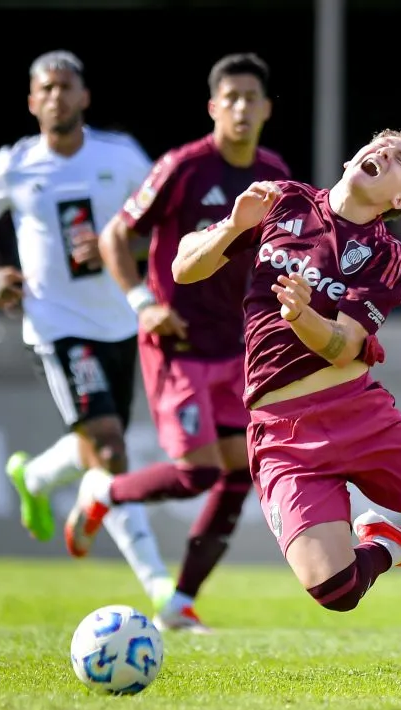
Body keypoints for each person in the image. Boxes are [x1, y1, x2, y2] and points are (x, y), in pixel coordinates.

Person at [67, 125, 401, 615]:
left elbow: (344, 346)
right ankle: (390, 546)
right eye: (381, 146)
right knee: (336, 590)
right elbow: (183, 268)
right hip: (281, 433)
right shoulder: (283, 201)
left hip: (359, 416)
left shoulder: (388, 256)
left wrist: (302, 316)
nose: (384, 154)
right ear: (354, 158)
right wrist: (234, 226)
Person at [0, 50, 173, 603]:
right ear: (32, 102)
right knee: (108, 449)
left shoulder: (121, 156)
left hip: (121, 321)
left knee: (101, 443)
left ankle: (33, 478)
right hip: (56, 326)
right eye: (46, 88)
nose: (56, 96)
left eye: (66, 87)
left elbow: (166, 223)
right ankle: (164, 593)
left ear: (84, 97)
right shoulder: (14, 164)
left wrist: (120, 247)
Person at [92, 53, 291, 633]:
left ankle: (181, 601)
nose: (241, 108)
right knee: (198, 473)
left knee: (239, 472)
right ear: (213, 107)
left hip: (237, 349)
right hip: (178, 344)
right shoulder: (182, 167)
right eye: (230, 98)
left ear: (267, 109)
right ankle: (104, 489)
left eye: (251, 98)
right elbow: (115, 235)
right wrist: (144, 303)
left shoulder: (274, 173)